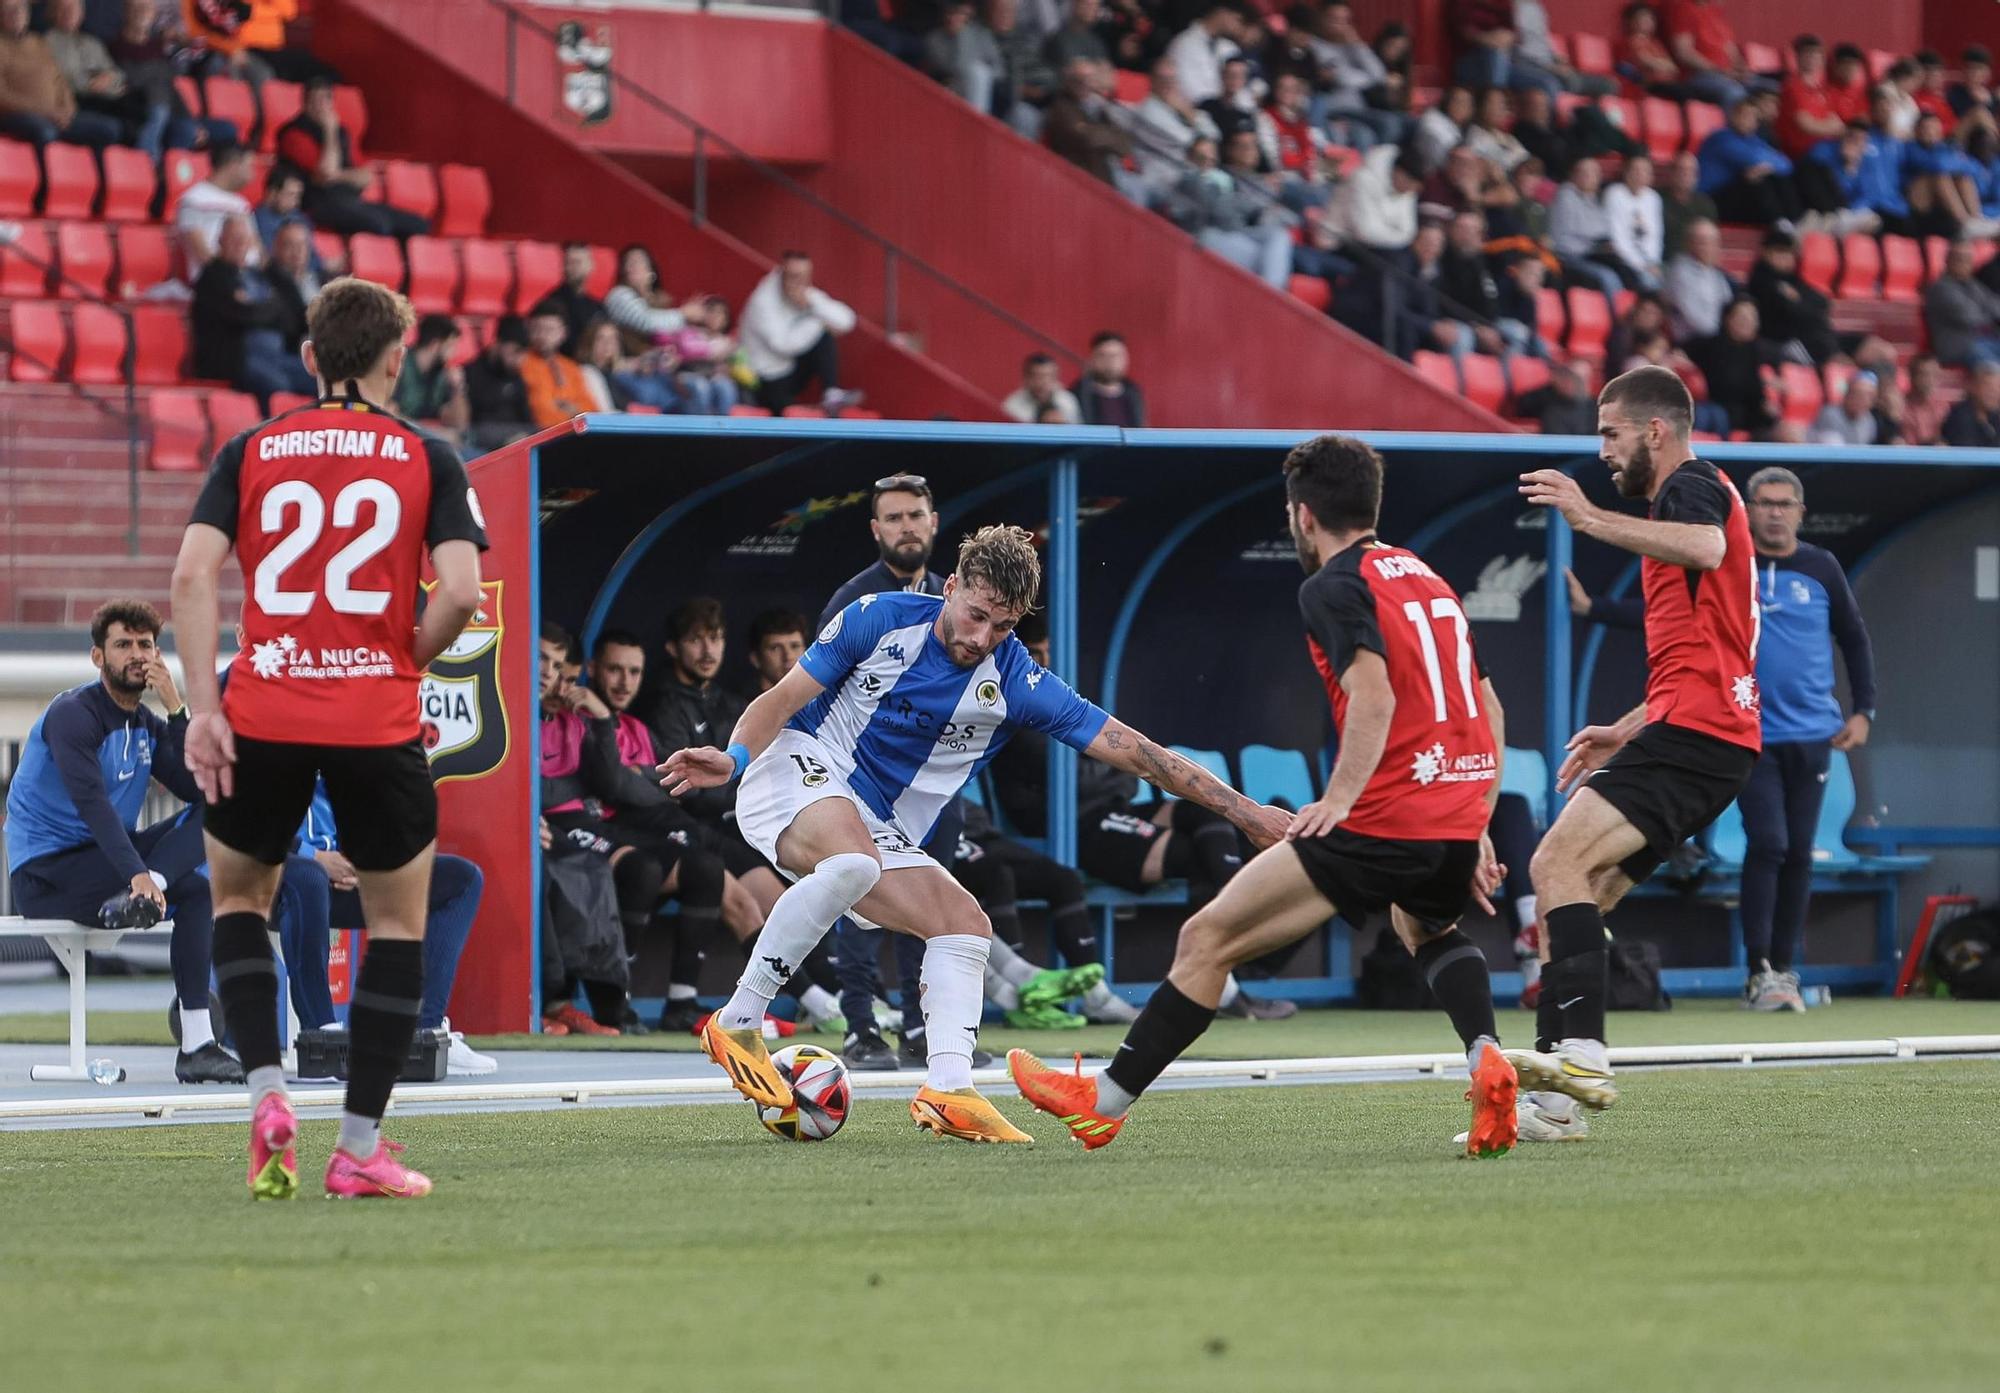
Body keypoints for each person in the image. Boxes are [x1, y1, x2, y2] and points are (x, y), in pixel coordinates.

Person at [660, 524, 1291, 1144]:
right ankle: (738, 1020)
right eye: (976, 615)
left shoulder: (1018, 680)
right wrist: (733, 759)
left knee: (964, 926)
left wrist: (1248, 813)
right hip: (794, 768)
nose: (981, 638)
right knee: (855, 862)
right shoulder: (878, 617)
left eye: (1003, 626)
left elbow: (1142, 754)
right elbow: (780, 700)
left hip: (871, 824)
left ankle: (949, 1088)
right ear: (952, 586)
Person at [1009, 433, 1515, 1154]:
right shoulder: (1427, 579)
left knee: (1206, 939)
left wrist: (1337, 802)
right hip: (1453, 815)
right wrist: (1476, 820)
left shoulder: (1332, 585)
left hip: (1383, 819)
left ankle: (1103, 1103)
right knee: (1426, 929)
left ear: (1303, 515)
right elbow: (1488, 708)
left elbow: (1373, 697)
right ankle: (1487, 1059)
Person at [169, 274, 489, 1198]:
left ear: (309, 358)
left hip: (265, 705)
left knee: (240, 902)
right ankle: (357, 1147)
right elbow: (461, 592)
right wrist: (402, 661)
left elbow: (191, 577)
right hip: (375, 718)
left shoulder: (251, 448)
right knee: (396, 922)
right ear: (397, 358)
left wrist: (204, 709)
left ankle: (268, 1095)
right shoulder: (428, 455)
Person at [1509, 365, 1759, 1140]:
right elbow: (1706, 653)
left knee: (1553, 863)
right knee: (1583, 891)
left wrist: (1586, 517)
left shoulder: (1691, 487)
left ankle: (1583, 1055)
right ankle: (1553, 1098)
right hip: (1706, 734)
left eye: (1610, 433)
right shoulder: (1691, 495)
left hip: (1698, 735)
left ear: (1656, 429)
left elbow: (1707, 545)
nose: (1603, 451)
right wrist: (1626, 728)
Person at [4, 600, 240, 1085]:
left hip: (112, 866)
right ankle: (143, 888)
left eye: (145, 645)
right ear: (98, 657)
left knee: (214, 838)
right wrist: (135, 873)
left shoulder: (146, 723)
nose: (137, 654)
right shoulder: (73, 714)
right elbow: (93, 807)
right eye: (123, 644)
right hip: (47, 872)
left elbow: (199, 789)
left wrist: (176, 708)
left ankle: (197, 1046)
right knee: (181, 877)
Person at [1737, 466, 1875, 1009]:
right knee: (1767, 843)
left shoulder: (1821, 566)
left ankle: (1784, 969)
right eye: (1765, 503)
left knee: (1798, 852)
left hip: (1814, 734)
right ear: (1749, 510)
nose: (1775, 513)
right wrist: (1594, 608)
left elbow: (1854, 638)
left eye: (1784, 504)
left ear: (1800, 512)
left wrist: (1864, 711)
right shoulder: (1731, 563)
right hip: (1750, 734)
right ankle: (1757, 970)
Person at [293, 779, 496, 1072]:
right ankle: (321, 1039)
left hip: (340, 874)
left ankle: (424, 1031)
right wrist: (315, 857)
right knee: (309, 877)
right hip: (277, 873)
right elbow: (245, 822)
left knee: (462, 879)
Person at [275, 76, 429, 239]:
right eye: (315, 101)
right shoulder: (293, 134)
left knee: (418, 225)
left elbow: (365, 177)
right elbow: (326, 171)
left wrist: (338, 176)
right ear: (305, 104)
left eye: (325, 100)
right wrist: (330, 131)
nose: (321, 107)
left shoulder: (343, 133)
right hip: (318, 204)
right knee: (378, 225)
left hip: (350, 200)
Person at [192, 215, 317, 407]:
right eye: (234, 239)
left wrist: (261, 307)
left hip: (277, 357)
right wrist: (270, 307)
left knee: (321, 379)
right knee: (278, 386)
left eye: (244, 239)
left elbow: (289, 314)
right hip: (236, 360)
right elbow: (243, 315)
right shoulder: (213, 276)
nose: (240, 245)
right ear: (220, 240)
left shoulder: (258, 275)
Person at [740, 251, 859, 414]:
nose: (799, 282)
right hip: (763, 379)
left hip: (790, 370)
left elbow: (847, 321)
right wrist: (819, 322)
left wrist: (813, 305)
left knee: (824, 337)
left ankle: (831, 394)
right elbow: (782, 345)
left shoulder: (806, 293)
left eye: (804, 277)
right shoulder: (763, 301)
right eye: (793, 276)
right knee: (820, 327)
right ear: (781, 273)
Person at [0, 0, 121, 147]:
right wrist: (45, 112)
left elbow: (59, 80)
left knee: (109, 129)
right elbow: (3, 97)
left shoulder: (39, 42)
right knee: (46, 132)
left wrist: (67, 111)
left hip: (55, 114)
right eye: (9, 10)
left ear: (27, 13)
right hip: (18, 114)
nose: (16, 14)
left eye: (20, 8)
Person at [1699, 97, 1801, 227]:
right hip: (1712, 199)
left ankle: (1794, 220)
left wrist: (1768, 166)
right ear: (1733, 116)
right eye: (1745, 115)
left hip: (1736, 196)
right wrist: (1768, 165)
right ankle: (1779, 222)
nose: (1749, 120)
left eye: (1754, 117)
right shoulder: (1720, 138)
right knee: (1756, 178)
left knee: (1775, 177)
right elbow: (1753, 159)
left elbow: (1787, 165)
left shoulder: (1752, 140)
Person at [1662, 0, 1770, 112]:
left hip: (1727, 74)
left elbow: (1729, 47)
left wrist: (1741, 69)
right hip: (1699, 75)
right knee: (1734, 93)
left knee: (1770, 90)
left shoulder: (1714, 11)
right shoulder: (1682, 9)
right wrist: (1719, 71)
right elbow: (1684, 53)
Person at [1044, 55, 1134, 189]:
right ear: (1068, 80)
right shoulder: (1061, 107)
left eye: (1088, 79)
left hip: (1105, 178)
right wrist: (1107, 135)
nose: (1084, 84)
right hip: (1078, 179)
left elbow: (1125, 144)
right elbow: (1086, 138)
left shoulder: (1099, 107)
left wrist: (1091, 130)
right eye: (1078, 80)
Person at [174, 141, 258, 279]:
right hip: (212, 280)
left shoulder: (242, 205)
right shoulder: (194, 200)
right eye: (248, 166)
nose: (252, 174)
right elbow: (201, 251)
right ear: (233, 165)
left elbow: (255, 248)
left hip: (248, 278)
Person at [1923, 240, 2000, 366]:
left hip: (1984, 342)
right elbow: (1968, 317)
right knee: (1990, 363)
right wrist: (1990, 316)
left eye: (1968, 259)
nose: (1963, 263)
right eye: (1959, 258)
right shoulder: (1940, 288)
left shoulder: (1973, 285)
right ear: (1947, 260)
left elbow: (1995, 306)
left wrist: (1988, 314)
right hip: (1959, 346)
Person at [463, 314, 533, 451]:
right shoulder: (472, 372)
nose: (519, 360)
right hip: (482, 435)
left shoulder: (516, 377)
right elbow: (472, 422)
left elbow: (526, 418)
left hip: (518, 433)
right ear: (498, 344)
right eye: (515, 351)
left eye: (523, 354)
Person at [518, 303, 593, 427]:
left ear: (563, 333)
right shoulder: (522, 363)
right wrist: (572, 416)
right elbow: (540, 411)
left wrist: (576, 411)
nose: (542, 335)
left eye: (549, 330)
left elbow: (591, 409)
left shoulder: (571, 367)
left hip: (574, 430)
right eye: (537, 328)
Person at [392, 313, 468, 435]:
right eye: (450, 346)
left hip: (428, 436)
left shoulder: (441, 374)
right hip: (401, 436)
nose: (453, 353)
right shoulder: (400, 365)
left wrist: (457, 389)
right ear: (435, 344)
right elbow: (389, 413)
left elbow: (459, 424)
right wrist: (427, 431)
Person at [1602, 153, 1664, 292]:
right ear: (1626, 172)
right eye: (1635, 170)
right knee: (1649, 283)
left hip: (1650, 262)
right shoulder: (1614, 194)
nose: (1639, 174)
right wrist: (1642, 265)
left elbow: (1656, 236)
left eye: (1644, 171)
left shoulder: (1654, 198)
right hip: (1622, 260)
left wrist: (1653, 262)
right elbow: (1617, 239)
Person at [1665, 217, 1734, 341]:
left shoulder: (1716, 273)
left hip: (1716, 337)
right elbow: (1694, 318)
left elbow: (1728, 304)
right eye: (1703, 242)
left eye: (1713, 242)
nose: (1710, 247)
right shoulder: (1680, 272)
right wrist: (1723, 336)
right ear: (1690, 244)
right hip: (1692, 340)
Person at [1073, 330, 1146, 426]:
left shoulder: (1134, 394)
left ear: (1126, 359)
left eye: (1115, 356)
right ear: (1092, 359)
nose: (1110, 362)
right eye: (1103, 356)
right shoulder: (1077, 395)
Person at [1659, 150, 1716, 262]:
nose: (1685, 175)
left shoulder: (1706, 205)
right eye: (1681, 170)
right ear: (1671, 173)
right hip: (1666, 262)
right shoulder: (1656, 200)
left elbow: (1710, 241)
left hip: (1697, 264)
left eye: (1691, 171)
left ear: (1697, 176)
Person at [1003, 350, 1082, 423]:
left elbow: (1077, 430)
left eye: (1048, 376)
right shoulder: (1012, 405)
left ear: (1056, 378)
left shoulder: (1068, 401)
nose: (1043, 382)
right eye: (1037, 376)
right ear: (1026, 378)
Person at [1806, 370, 1879, 447]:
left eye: (1869, 397)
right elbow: (1833, 448)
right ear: (1847, 394)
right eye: (1857, 394)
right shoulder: (1830, 415)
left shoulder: (1869, 421)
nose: (1863, 400)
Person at [745, 609, 809, 695]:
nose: (788, 657)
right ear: (755, 659)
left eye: (795, 646)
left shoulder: (821, 698)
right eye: (775, 648)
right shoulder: (740, 702)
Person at [1941, 359, 2000, 447]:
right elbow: (1969, 451)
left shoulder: (1994, 416)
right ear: (1974, 387)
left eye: (1997, 388)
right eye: (1988, 387)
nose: (1993, 393)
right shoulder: (1960, 416)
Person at [1900, 353, 1949, 446]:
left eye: (1934, 375)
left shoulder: (1943, 407)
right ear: (1911, 376)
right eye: (1924, 374)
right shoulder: (1900, 406)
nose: (1930, 380)